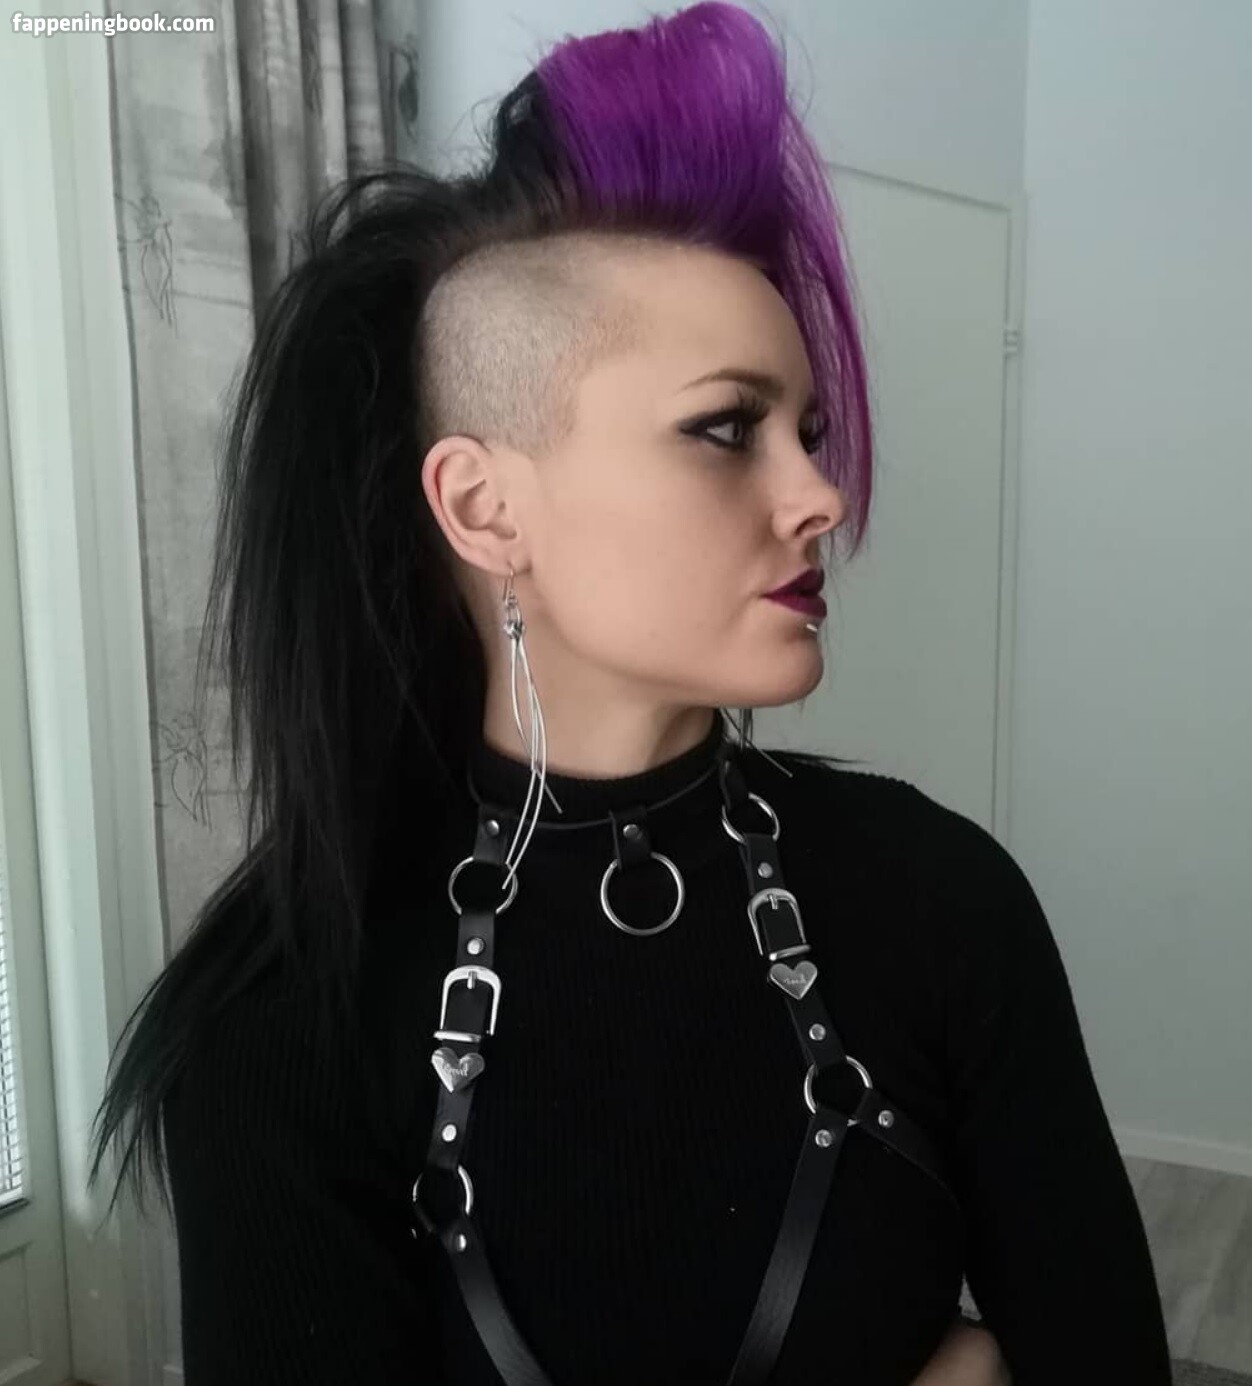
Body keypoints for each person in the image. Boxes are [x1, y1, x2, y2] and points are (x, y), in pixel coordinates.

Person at [87, 4, 1172, 1383]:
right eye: (726, 429)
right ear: (485, 507)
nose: (822, 496)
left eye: (808, 431)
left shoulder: (941, 901)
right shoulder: (289, 1017)